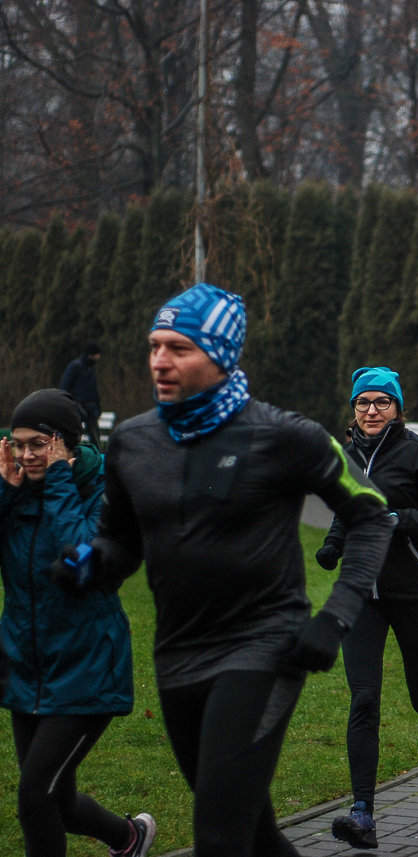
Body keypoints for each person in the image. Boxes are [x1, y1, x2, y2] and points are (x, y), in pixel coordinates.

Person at [86, 283, 394, 857]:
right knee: (252, 832)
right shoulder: (132, 441)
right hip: (178, 653)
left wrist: (336, 616)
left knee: (218, 838)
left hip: (263, 648)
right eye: (155, 345)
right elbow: (120, 540)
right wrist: (89, 564)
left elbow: (373, 515)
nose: (159, 360)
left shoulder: (284, 434)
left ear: (222, 356)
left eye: (179, 347)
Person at [316, 366, 418, 849]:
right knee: (364, 699)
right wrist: (333, 544)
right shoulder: (343, 456)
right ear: (353, 409)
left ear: (398, 408)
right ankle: (363, 814)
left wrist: (400, 519)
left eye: (382, 402)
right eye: (363, 402)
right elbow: (347, 509)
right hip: (361, 594)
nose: (372, 410)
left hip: (417, 591)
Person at [0, 389, 155, 857]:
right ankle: (129, 838)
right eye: (18, 443)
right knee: (55, 799)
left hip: (88, 667)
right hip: (28, 667)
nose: (27, 455)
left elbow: (82, 558)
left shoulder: (104, 488)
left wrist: (60, 481)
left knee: (36, 795)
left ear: (65, 443)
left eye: (39, 444)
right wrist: (5, 491)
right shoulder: (16, 487)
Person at [59, 343, 102, 447]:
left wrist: (97, 405)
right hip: (77, 406)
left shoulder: (90, 368)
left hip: (90, 408)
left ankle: (97, 454)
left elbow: (94, 389)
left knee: (95, 435)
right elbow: (65, 387)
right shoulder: (75, 367)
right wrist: (72, 403)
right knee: (74, 432)